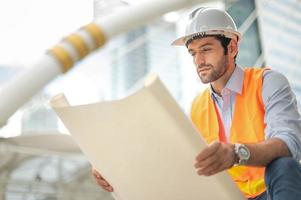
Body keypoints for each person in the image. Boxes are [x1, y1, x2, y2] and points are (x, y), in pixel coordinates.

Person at [92, 7, 301, 200]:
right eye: (193, 52)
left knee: (284, 165)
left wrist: (235, 153)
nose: (198, 61)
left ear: (233, 46)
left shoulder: (267, 82)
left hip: (271, 191)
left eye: (206, 49)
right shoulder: (197, 108)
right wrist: (115, 170)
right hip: (228, 196)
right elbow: (173, 162)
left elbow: (289, 143)